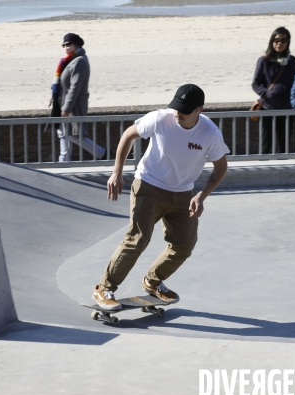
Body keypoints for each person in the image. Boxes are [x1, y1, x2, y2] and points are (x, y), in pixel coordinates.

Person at [92, 84, 230, 310]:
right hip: (149, 185)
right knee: (138, 238)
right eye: (176, 107)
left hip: (184, 192)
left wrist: (201, 196)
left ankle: (153, 281)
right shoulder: (159, 119)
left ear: (199, 110)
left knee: (184, 244)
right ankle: (104, 288)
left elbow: (220, 168)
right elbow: (128, 135)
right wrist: (117, 172)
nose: (178, 114)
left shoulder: (210, 133)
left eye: (184, 110)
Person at [49, 33, 105, 162]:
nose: (65, 47)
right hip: (62, 102)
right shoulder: (68, 60)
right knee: (63, 132)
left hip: (72, 105)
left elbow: (75, 86)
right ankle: (63, 161)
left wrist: (67, 108)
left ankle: (102, 154)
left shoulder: (80, 61)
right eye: (64, 45)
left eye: (68, 44)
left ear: (76, 45)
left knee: (73, 135)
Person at [251, 27, 295, 154]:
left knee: (284, 147)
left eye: (283, 40)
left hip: (288, 109)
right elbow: (255, 84)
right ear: (272, 41)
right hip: (268, 109)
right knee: (266, 146)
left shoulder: (293, 61)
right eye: (276, 40)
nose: (280, 43)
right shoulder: (264, 61)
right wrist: (266, 93)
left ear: (288, 42)